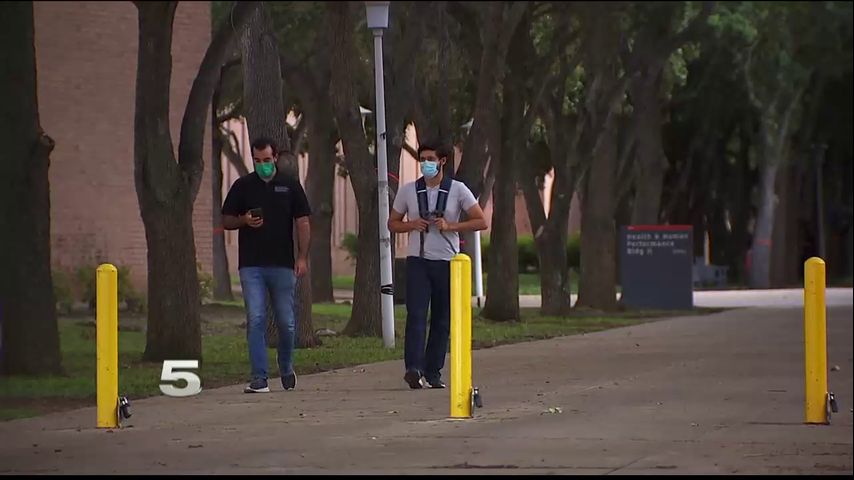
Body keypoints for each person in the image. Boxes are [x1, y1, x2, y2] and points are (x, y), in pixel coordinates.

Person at [389, 142, 488, 389]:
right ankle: (413, 368)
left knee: (442, 319)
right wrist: (413, 224)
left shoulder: (457, 190)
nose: (425, 164)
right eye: (422, 159)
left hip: (448, 261)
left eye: (430, 159)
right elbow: (393, 223)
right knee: (416, 315)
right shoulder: (409, 191)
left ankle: (433, 371)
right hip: (418, 261)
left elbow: (480, 221)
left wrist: (450, 226)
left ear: (442, 161)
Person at [222, 137, 311, 393]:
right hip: (252, 266)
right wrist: (243, 220)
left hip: (283, 264)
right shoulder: (243, 186)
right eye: (257, 161)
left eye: (266, 160)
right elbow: (227, 219)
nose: (262, 165)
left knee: (286, 322)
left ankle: (285, 366)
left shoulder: (290, 186)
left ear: (275, 158)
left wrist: (302, 256)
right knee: (257, 318)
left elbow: (303, 221)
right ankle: (259, 377)